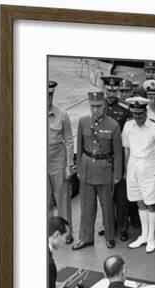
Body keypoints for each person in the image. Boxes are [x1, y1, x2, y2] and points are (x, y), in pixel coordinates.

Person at [73, 92, 123, 250]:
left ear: (104, 106)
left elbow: (118, 153)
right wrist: (79, 169)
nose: (96, 110)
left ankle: (109, 236)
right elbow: (80, 147)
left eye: (99, 106)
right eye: (93, 106)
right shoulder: (83, 122)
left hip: (104, 170)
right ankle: (86, 238)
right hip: (87, 169)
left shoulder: (113, 125)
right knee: (86, 207)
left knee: (107, 206)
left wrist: (117, 175)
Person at [122, 97, 155, 253]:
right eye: (134, 113)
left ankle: (151, 236)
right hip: (133, 165)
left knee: (151, 202)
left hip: (149, 166)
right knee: (139, 201)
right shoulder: (128, 126)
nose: (137, 117)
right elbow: (126, 149)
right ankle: (144, 235)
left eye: (140, 113)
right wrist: (127, 170)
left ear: (145, 111)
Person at [99, 75, 132, 242]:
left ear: (118, 90)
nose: (111, 93)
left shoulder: (125, 109)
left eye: (115, 90)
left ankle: (122, 227)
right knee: (105, 196)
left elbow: (128, 136)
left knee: (121, 197)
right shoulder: (98, 107)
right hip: (103, 158)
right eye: (108, 90)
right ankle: (108, 225)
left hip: (118, 157)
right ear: (104, 89)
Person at [47, 81, 74, 244]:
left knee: (63, 198)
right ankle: (49, 233)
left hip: (58, 159)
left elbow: (69, 140)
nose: (48, 98)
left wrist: (69, 165)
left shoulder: (62, 115)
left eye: (51, 94)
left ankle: (66, 233)